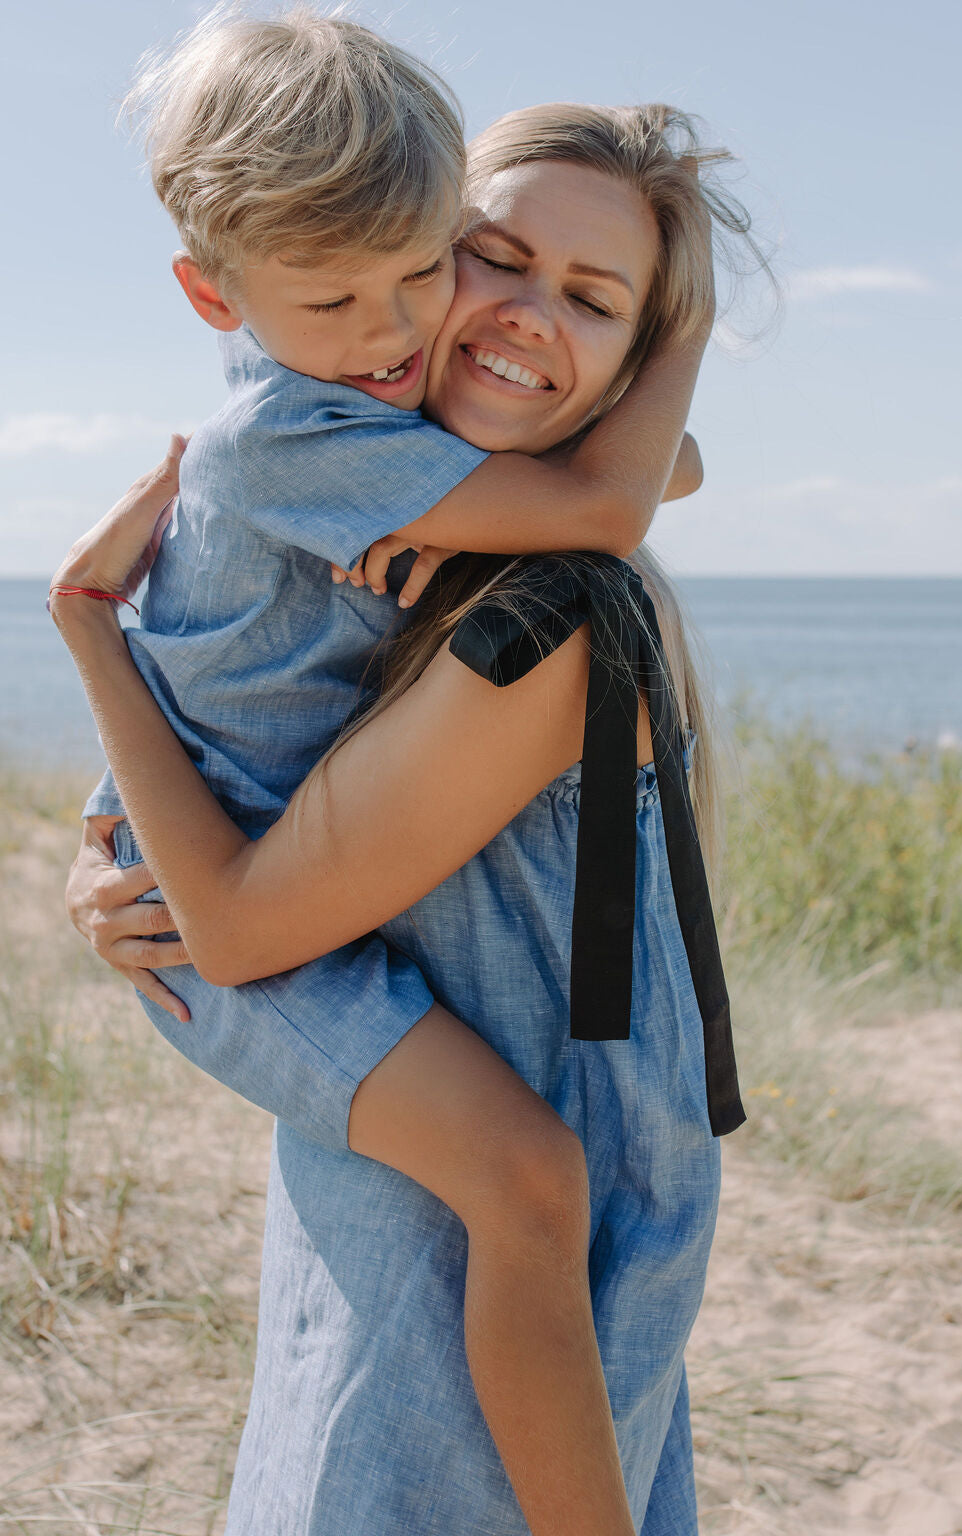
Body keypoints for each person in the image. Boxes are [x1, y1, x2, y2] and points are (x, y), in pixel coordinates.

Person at [60, 92, 758, 1536]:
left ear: (638, 364)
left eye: (594, 299)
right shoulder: (371, 507)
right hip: (408, 1219)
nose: (514, 313)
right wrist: (117, 854)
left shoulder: (538, 615)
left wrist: (91, 644)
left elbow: (242, 923)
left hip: (486, 1261)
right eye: (489, 256)